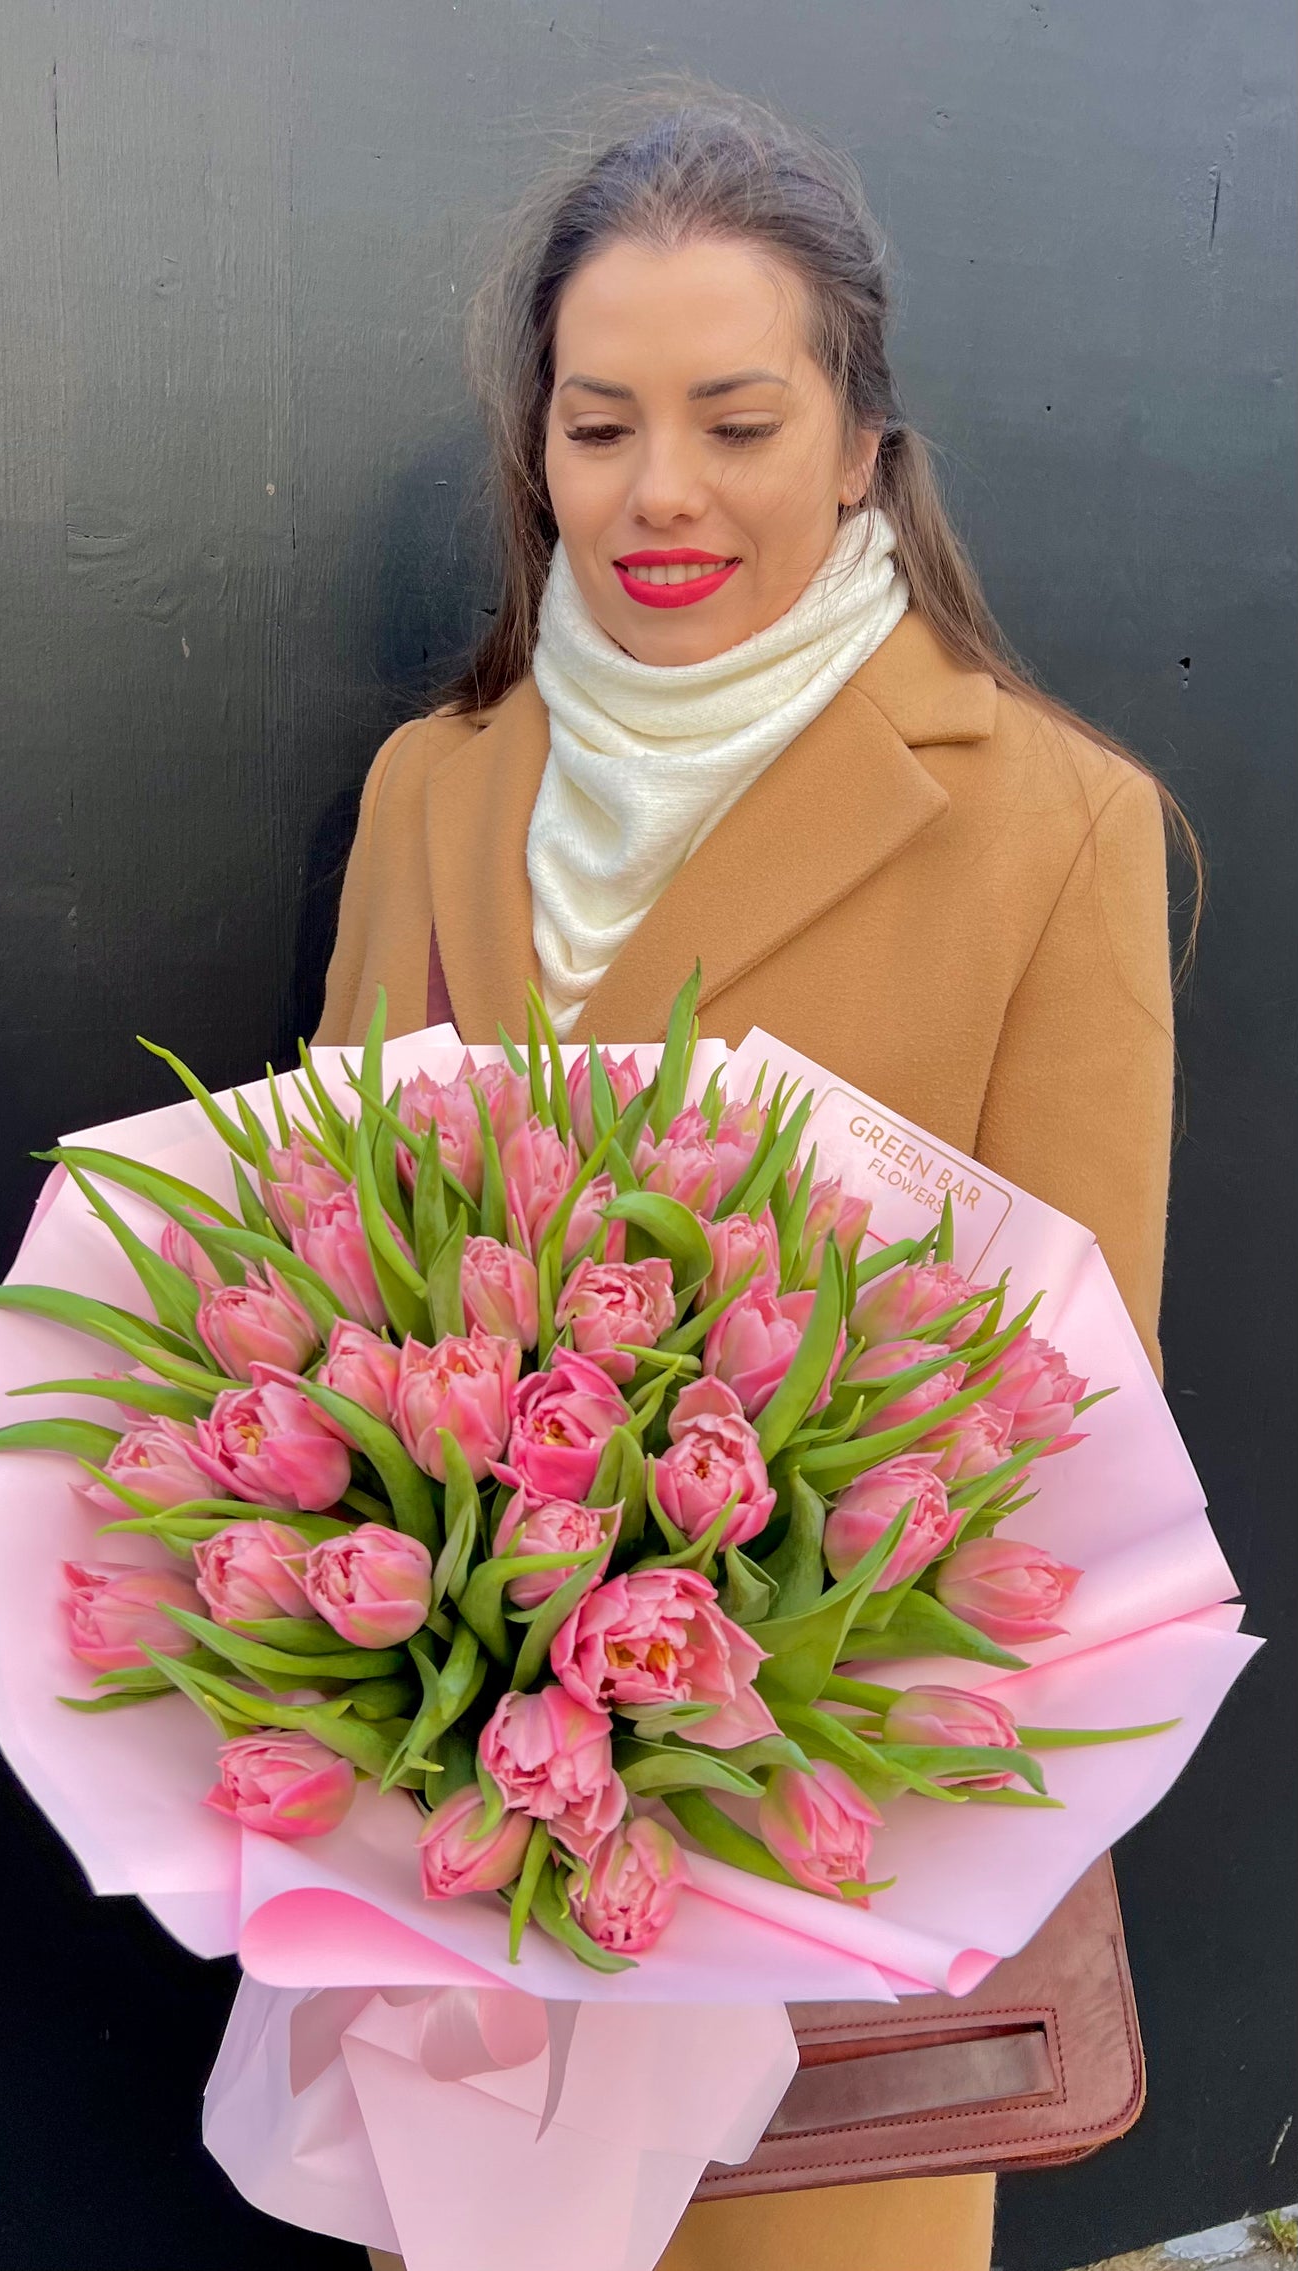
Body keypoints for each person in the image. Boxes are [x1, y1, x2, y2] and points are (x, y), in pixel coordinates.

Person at [315, 88, 1186, 2271]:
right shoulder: (435, 786)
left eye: (734, 417)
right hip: (465, 1889)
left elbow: (1076, 1418)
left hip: (824, 1903)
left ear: (862, 440)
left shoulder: (1053, 819)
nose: (660, 493)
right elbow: (323, 1268)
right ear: (537, 449)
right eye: (598, 427)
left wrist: (698, 1673)